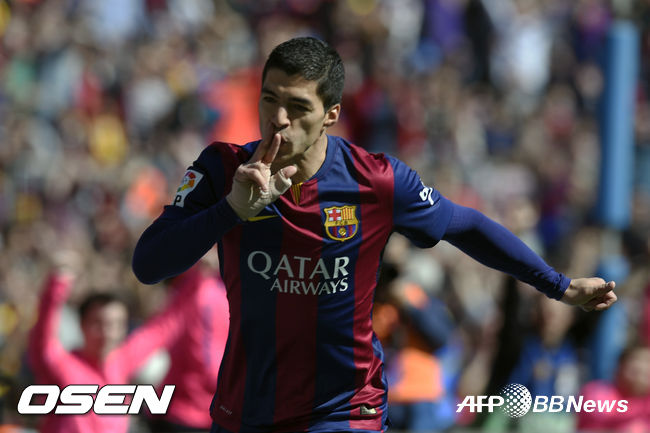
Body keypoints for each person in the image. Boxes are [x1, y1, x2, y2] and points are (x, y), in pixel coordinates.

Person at [132, 37, 617, 433]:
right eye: (270, 99)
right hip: (246, 409)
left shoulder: (376, 181)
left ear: (331, 114)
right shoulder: (222, 169)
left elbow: (465, 225)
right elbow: (148, 265)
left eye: (298, 106)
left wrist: (558, 285)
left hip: (344, 410)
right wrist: (231, 211)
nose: (278, 118)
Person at [28, 266, 203, 433]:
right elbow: (42, 338)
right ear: (82, 324)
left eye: (116, 325)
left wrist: (196, 278)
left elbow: (164, 326)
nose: (107, 333)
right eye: (98, 323)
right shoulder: (62, 365)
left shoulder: (121, 361)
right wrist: (58, 283)